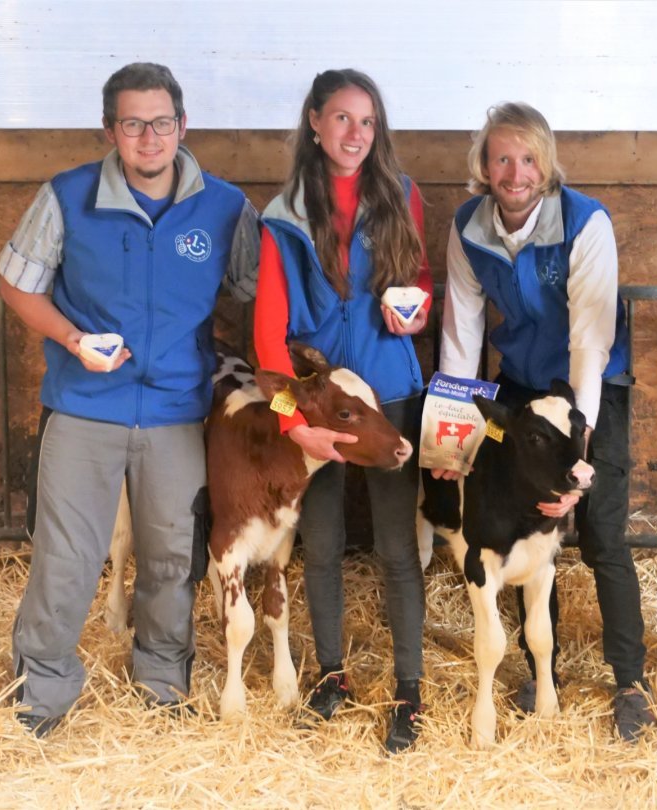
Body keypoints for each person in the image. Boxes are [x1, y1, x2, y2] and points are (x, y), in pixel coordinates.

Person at [0, 62, 260, 737]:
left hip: (176, 411)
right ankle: (42, 692)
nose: (150, 138)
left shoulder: (227, 207)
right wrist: (71, 337)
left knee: (172, 554)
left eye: (162, 122)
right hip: (85, 404)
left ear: (183, 125)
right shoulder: (67, 195)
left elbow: (261, 293)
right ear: (110, 129)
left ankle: (162, 679)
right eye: (133, 123)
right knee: (67, 555)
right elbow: (18, 286)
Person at [437, 102, 655, 742]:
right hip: (523, 389)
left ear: (547, 163)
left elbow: (590, 342)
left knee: (601, 531)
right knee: (532, 530)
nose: (515, 171)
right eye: (502, 157)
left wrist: (579, 443)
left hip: (586, 390)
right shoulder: (468, 227)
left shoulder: (585, 223)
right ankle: (543, 670)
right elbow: (462, 330)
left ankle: (629, 681)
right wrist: (453, 424)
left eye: (529, 158)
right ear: (484, 164)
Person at [253, 69, 431, 754]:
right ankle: (333, 675)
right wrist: (294, 424)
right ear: (314, 122)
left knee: (395, 547)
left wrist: (412, 316)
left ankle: (409, 689)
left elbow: (418, 289)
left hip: (387, 394)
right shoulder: (283, 217)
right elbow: (269, 335)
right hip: (321, 405)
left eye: (367, 121)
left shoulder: (403, 196)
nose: (355, 134)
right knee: (320, 546)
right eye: (342, 119)